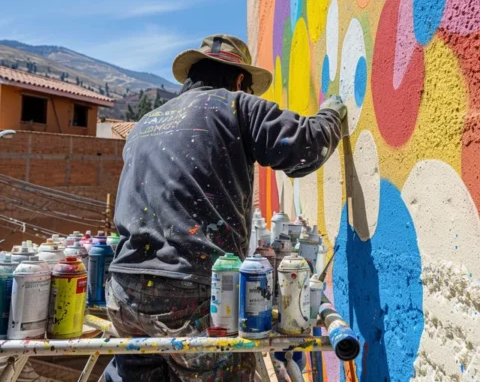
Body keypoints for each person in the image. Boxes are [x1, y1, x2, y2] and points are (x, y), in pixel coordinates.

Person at [103, 34, 347, 381]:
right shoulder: (235, 105)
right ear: (238, 80)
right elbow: (304, 146)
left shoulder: (145, 123)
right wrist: (332, 115)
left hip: (124, 295)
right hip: (191, 297)